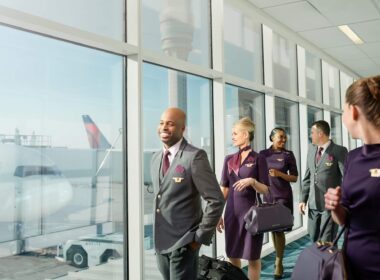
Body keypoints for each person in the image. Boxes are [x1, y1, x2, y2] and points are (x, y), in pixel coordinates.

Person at [151, 107, 225, 280]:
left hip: (184, 243)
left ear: (182, 129)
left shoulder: (195, 156)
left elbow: (216, 199)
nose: (164, 128)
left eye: (170, 124)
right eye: (161, 123)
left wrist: (198, 238)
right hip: (160, 243)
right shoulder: (155, 159)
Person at [325, 76, 380, 279]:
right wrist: (336, 206)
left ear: (354, 111)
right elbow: (345, 218)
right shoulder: (353, 158)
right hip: (353, 265)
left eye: (343, 110)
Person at [216, 117, 269, 280]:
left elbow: (266, 190)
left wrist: (252, 182)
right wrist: (218, 213)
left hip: (251, 215)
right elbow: (224, 189)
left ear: (245, 135)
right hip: (232, 213)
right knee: (233, 254)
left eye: (235, 133)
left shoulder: (259, 158)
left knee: (253, 257)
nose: (232, 136)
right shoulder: (228, 160)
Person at [298, 120, 347, 242]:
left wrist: (344, 201)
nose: (310, 135)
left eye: (312, 132)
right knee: (313, 238)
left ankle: (329, 261)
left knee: (327, 240)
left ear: (320, 134)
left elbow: (346, 177)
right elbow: (308, 176)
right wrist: (303, 199)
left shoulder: (339, 151)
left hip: (329, 206)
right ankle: (318, 261)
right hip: (313, 204)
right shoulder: (311, 149)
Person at [259, 128, 298, 279]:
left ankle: (278, 262)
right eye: (280, 137)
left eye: (285, 138)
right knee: (273, 229)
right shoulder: (263, 154)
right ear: (272, 138)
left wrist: (279, 173)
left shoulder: (288, 155)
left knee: (279, 230)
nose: (283, 140)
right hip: (268, 196)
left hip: (283, 196)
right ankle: (278, 258)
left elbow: (294, 178)